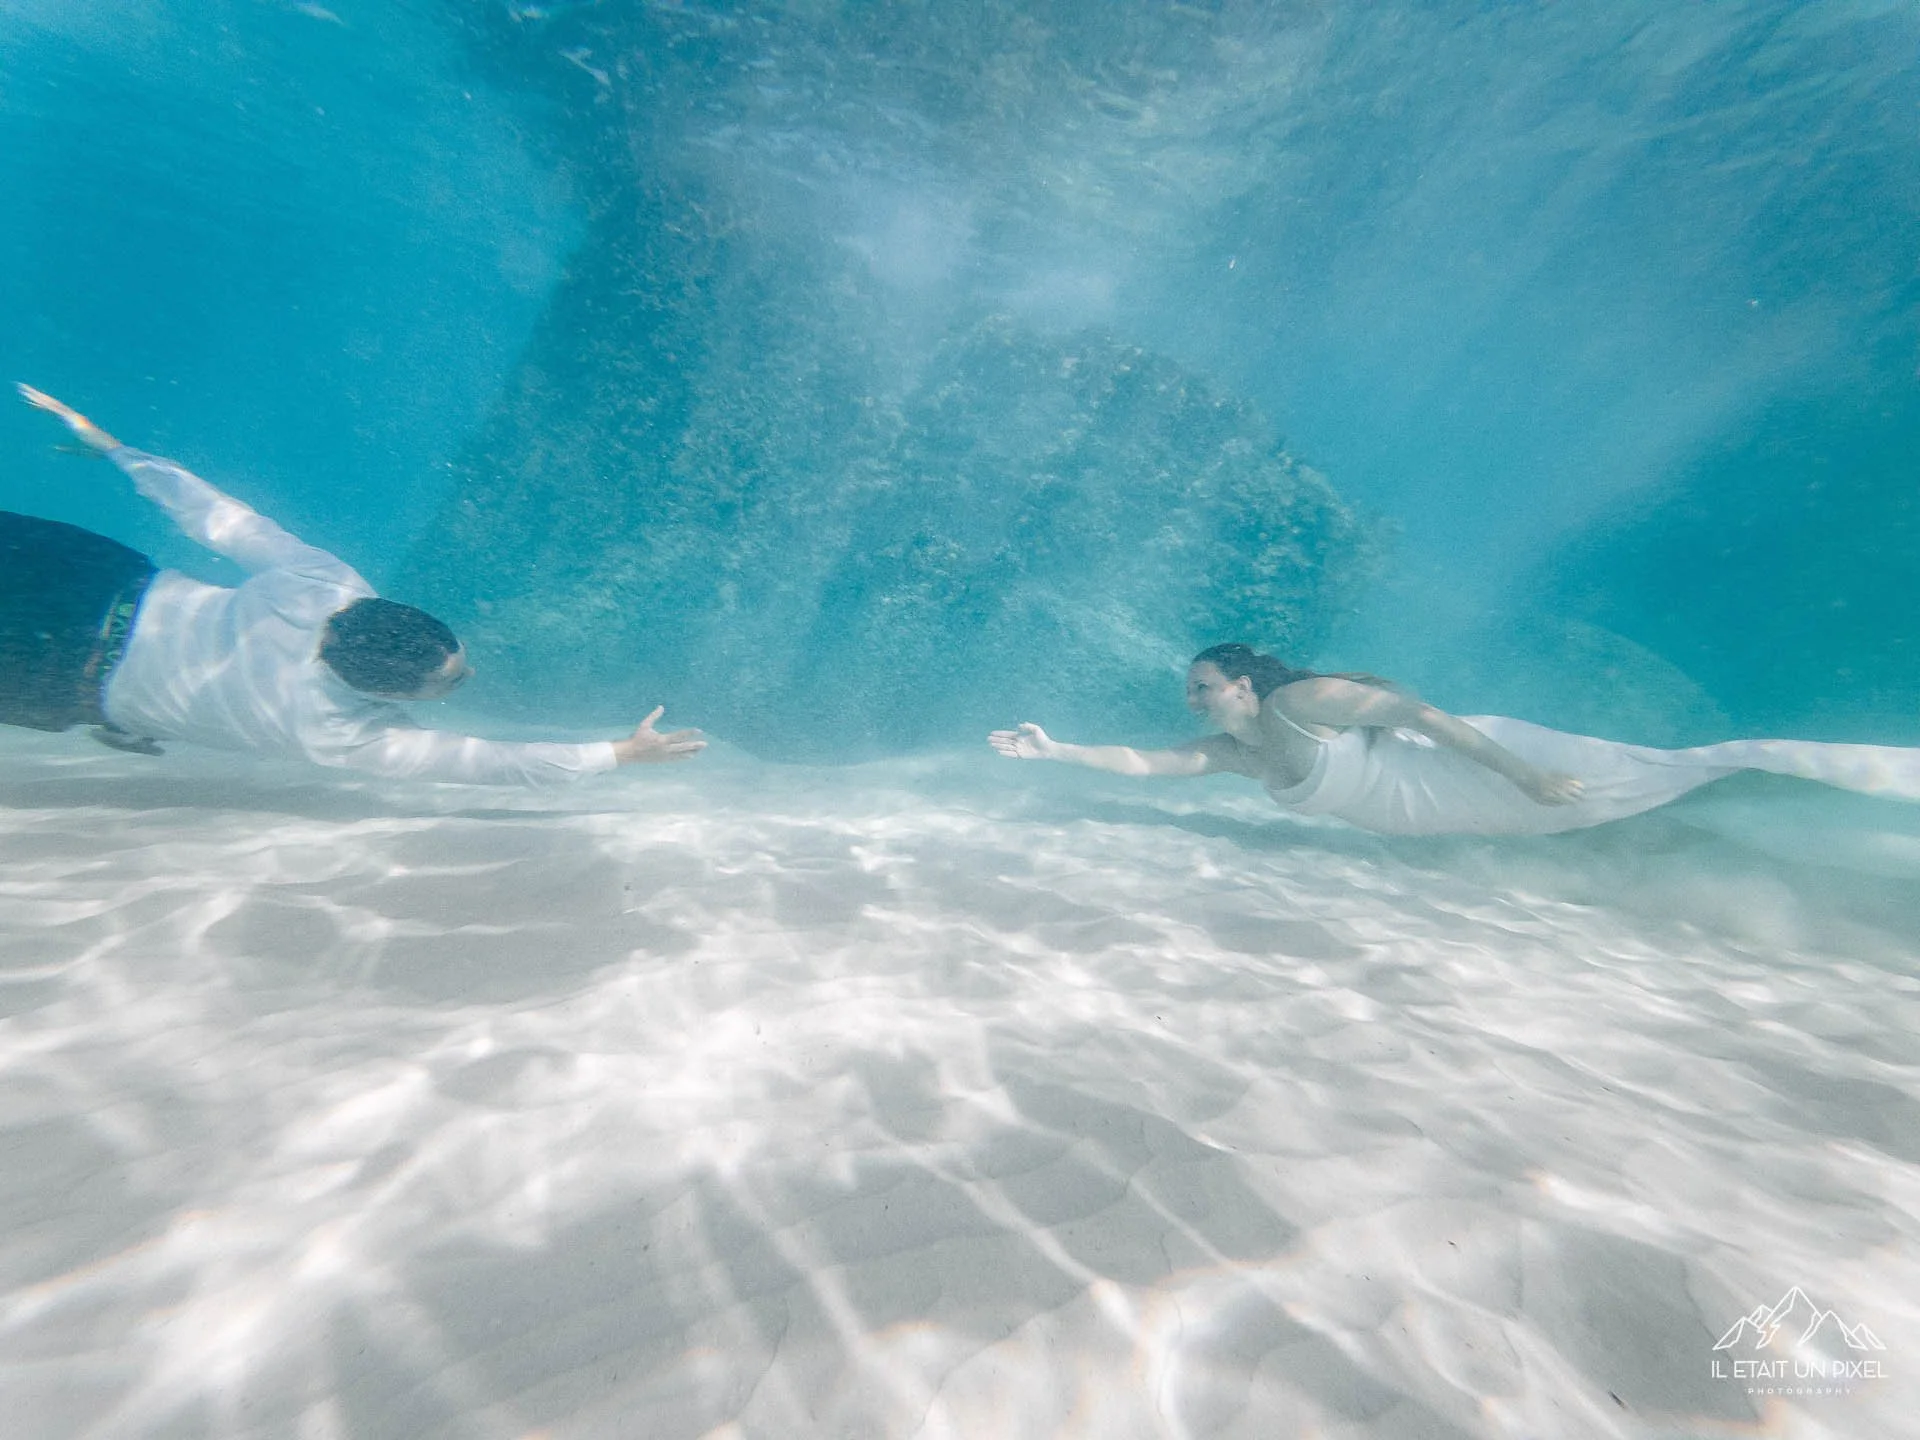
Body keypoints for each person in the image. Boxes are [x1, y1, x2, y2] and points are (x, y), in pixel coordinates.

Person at [4, 384, 704, 784]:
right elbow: (491, 763)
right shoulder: (341, 732)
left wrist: (119, 451)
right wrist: (622, 753)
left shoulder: (327, 585)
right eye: (453, 679)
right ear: (385, 693)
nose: (472, 673)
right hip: (55, 672)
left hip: (98, 576)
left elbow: (219, 519)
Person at [989, 642, 1920, 837]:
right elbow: (1147, 764)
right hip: (1432, 814)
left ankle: (1829, 770)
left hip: (1471, 760)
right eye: (1188, 693)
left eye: (1199, 687)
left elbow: (1420, 716)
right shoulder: (1238, 753)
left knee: (1663, 772)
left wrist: (1523, 772)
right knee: (1625, 809)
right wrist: (1055, 748)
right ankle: (1737, 798)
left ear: (1242, 684)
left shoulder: (1301, 702)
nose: (1189, 703)